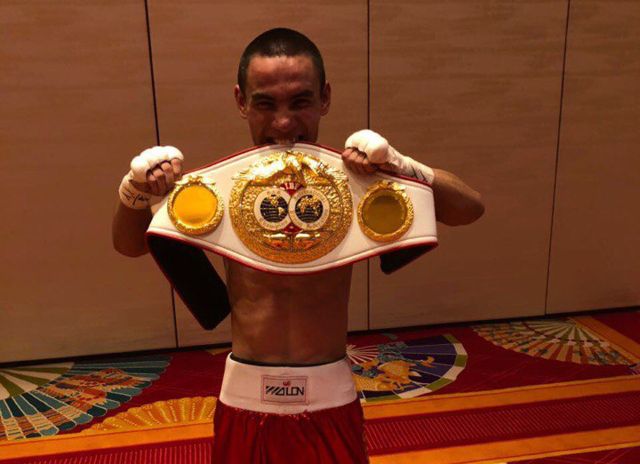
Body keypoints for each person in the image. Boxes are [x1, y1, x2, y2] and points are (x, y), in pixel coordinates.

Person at [112, 28, 484, 463]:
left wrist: (405, 167)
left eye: (300, 101)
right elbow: (128, 244)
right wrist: (135, 190)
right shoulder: (219, 190)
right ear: (241, 101)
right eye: (265, 104)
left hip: (330, 395)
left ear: (325, 97)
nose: (284, 122)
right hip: (244, 396)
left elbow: (469, 208)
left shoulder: (353, 181)